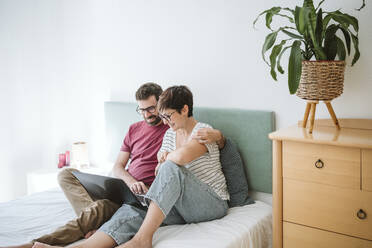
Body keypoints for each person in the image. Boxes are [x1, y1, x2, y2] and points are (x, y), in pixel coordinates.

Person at [6, 83, 225, 248]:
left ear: (185, 110)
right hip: (178, 203)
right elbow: (128, 166)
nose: (164, 121)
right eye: (162, 116)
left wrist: (165, 159)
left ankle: (142, 239)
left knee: (168, 170)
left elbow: (180, 159)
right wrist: (159, 165)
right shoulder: (169, 134)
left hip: (211, 203)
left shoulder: (203, 131)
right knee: (131, 211)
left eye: (167, 116)